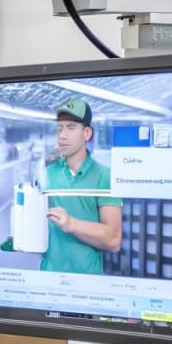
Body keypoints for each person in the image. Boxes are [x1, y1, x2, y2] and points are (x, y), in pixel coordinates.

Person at [39, 98, 123, 274]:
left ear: (86, 134)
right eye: (59, 128)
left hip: (87, 284)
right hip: (47, 280)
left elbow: (113, 240)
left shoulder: (104, 176)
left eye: (71, 127)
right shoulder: (48, 173)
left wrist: (70, 223)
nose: (62, 135)